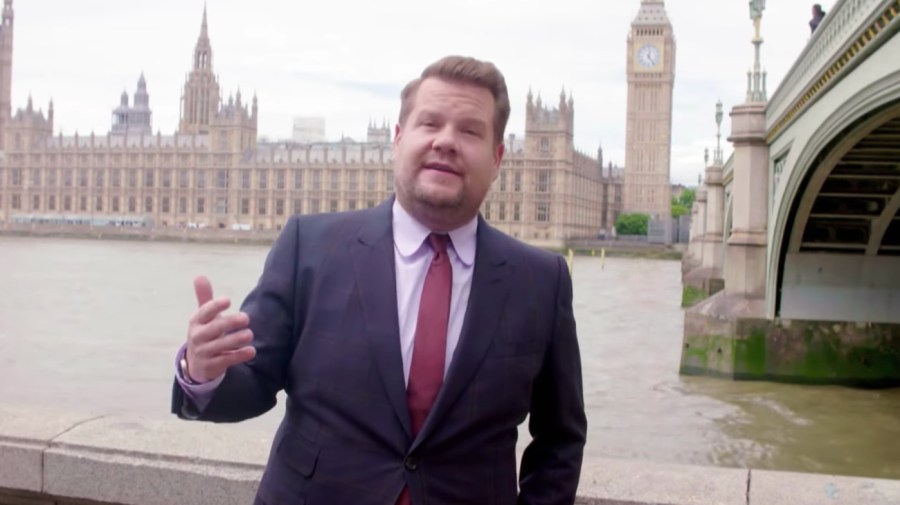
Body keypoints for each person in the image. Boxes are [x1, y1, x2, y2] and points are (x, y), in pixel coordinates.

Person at [171, 55, 587, 505]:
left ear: (497, 157)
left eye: (470, 130)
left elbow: (560, 439)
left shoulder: (541, 282)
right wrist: (203, 371)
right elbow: (252, 384)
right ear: (397, 138)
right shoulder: (308, 247)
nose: (446, 141)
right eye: (430, 123)